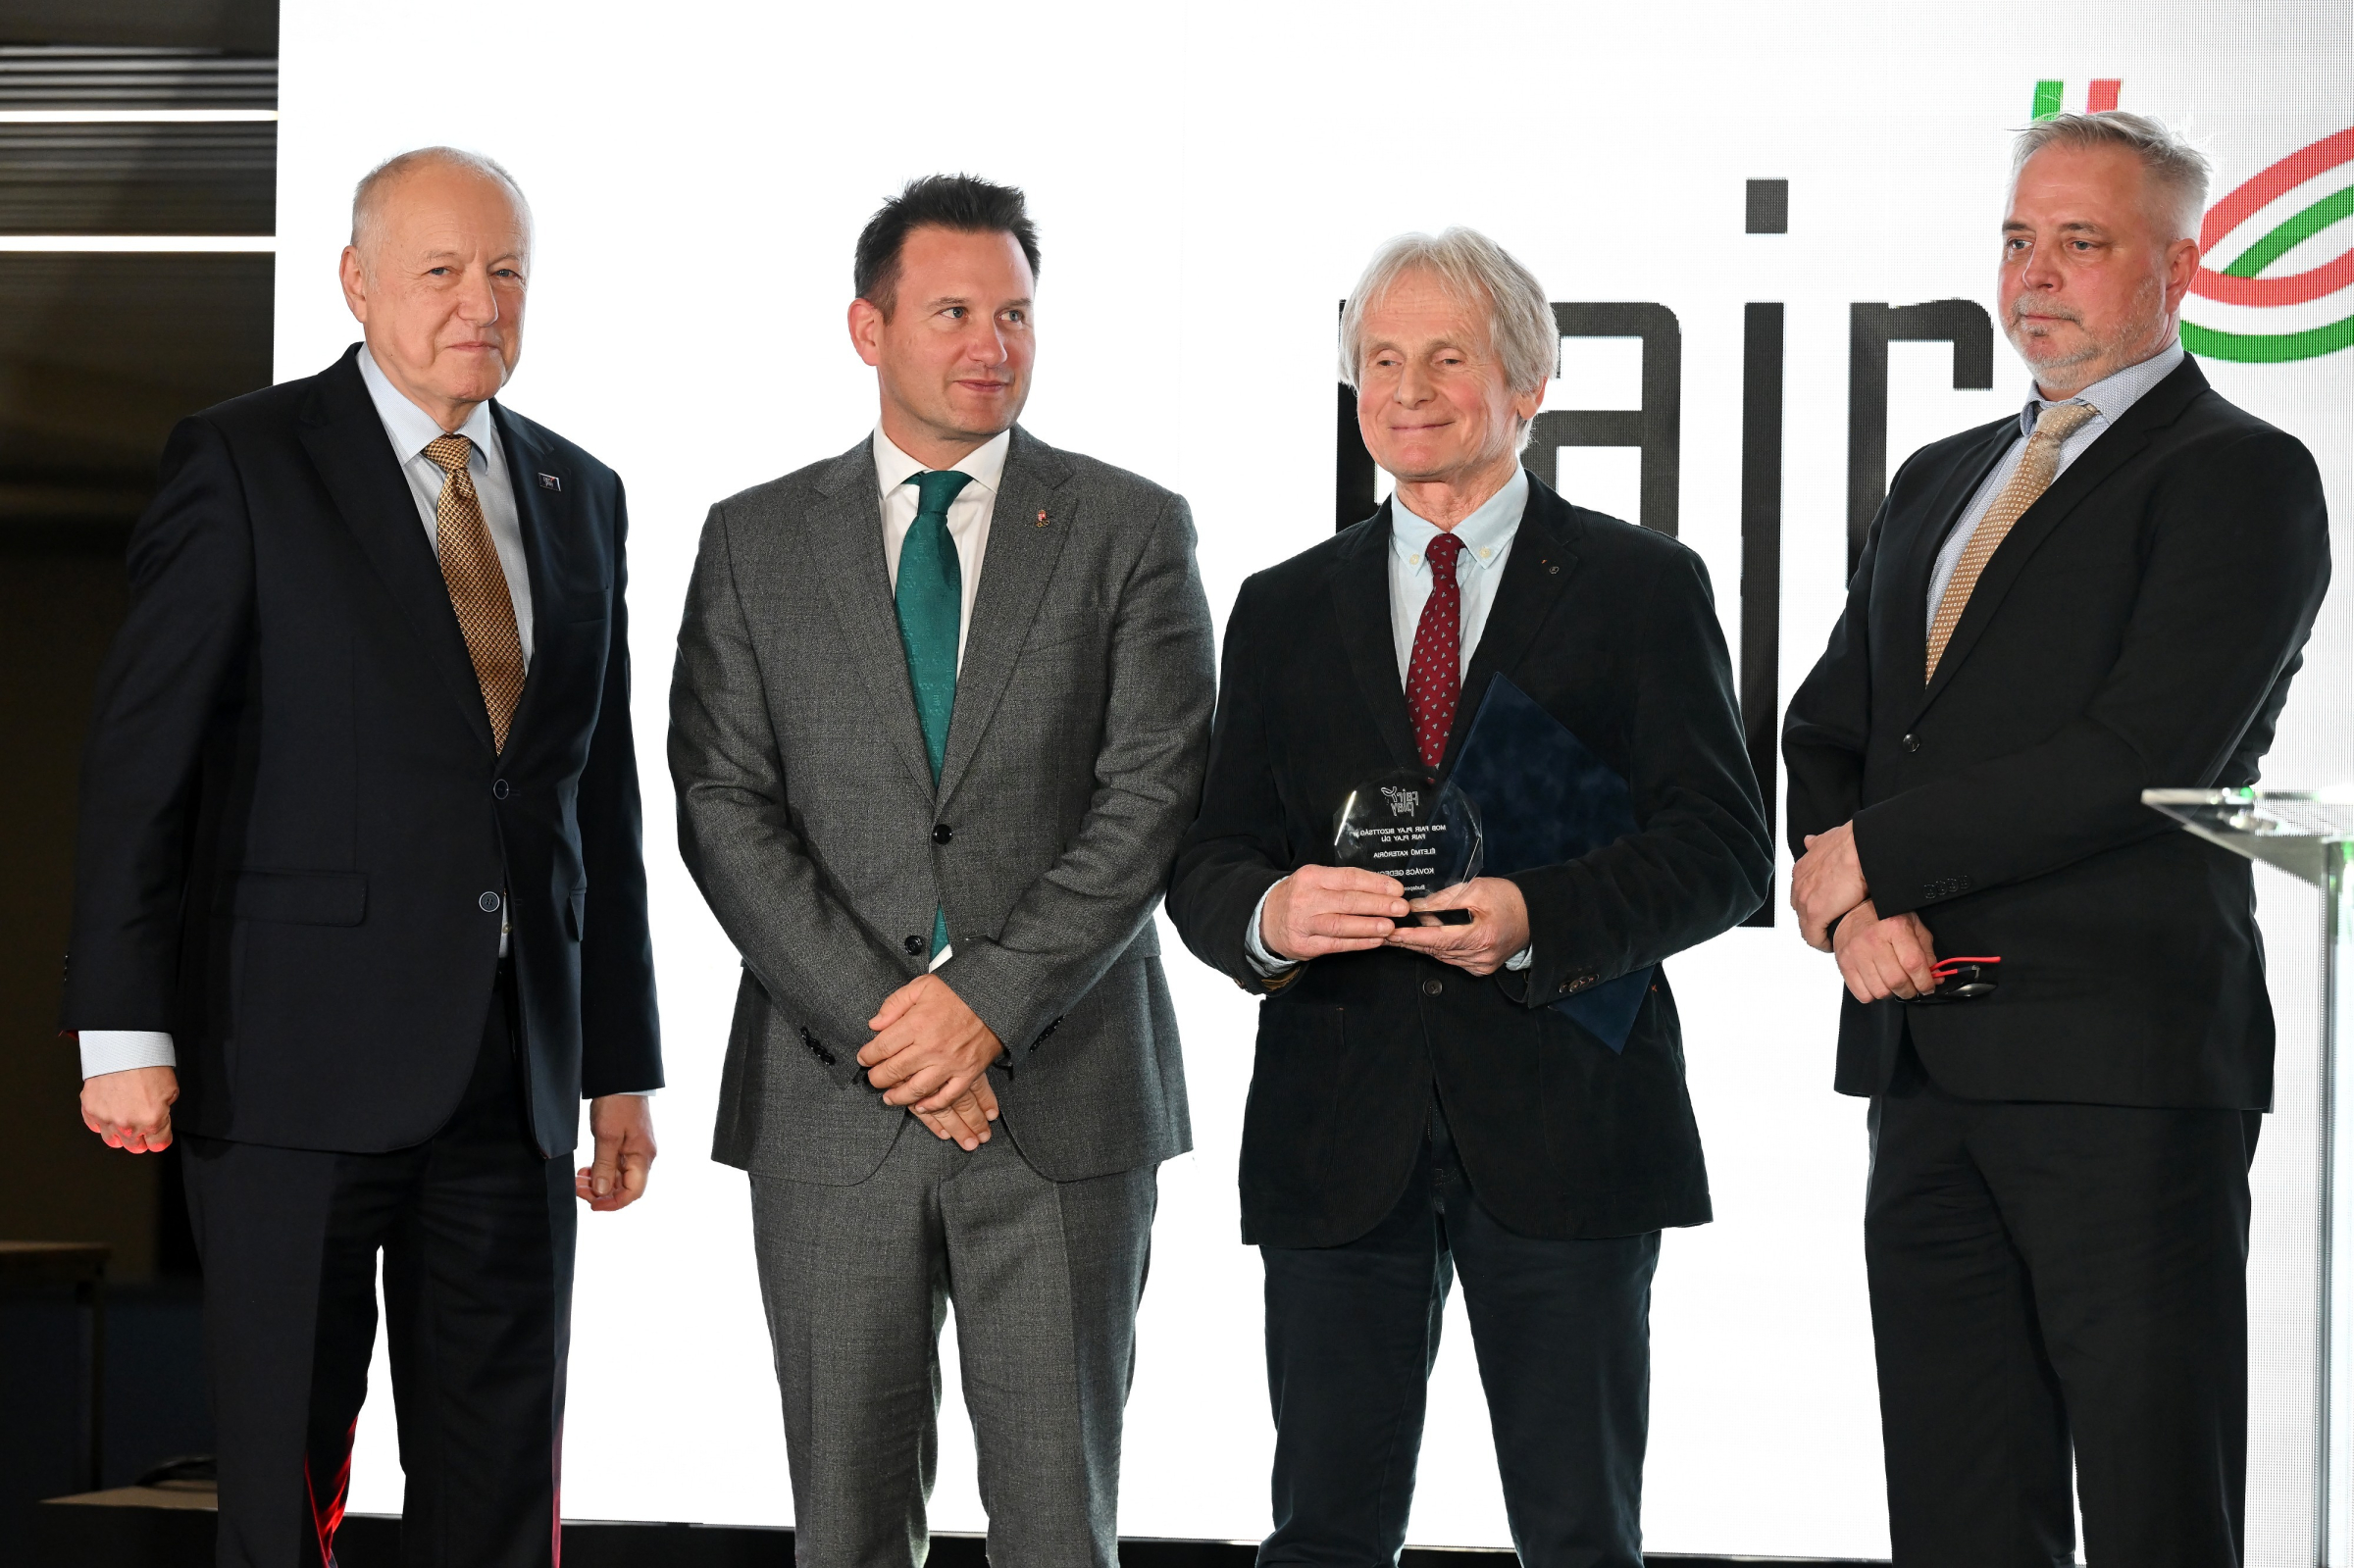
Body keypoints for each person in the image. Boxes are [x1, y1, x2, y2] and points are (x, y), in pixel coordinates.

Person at [62, 146, 661, 1568]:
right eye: (441, 271)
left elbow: (597, 800)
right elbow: (142, 763)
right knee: (284, 1490)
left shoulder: (581, 491)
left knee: (502, 1493)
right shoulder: (246, 461)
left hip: (511, 1081)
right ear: (356, 282)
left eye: (505, 272)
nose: (480, 305)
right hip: (289, 1069)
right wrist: (120, 1031)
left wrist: (615, 1061)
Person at [1165, 228, 1770, 1568]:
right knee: (1322, 1535)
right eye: (1382, 360)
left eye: (1447, 357)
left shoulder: (1641, 587)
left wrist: (1537, 917)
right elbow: (1210, 859)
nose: (1410, 390)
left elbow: (1724, 850)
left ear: (1529, 381)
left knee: (1579, 1536)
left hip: (1568, 1125)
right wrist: (1271, 917)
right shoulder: (1281, 605)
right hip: (1339, 1132)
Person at [1784, 110, 2329, 1567]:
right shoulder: (1938, 476)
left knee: (2156, 1514)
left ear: (2180, 268)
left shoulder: (2241, 473)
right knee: (1958, 1516)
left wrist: (1879, 858)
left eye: (2080, 242)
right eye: (2019, 239)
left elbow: (2141, 757)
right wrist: (1854, 913)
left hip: (2124, 1082)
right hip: (1922, 1058)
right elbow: (1830, 729)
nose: (2034, 275)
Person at [669, 173, 1214, 1568]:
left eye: (1016, 315)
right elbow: (722, 805)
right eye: (955, 312)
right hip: (829, 1103)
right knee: (844, 1532)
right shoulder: (753, 539)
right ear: (868, 328)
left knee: (1059, 1532)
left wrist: (985, 1006)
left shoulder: (1131, 528)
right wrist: (893, 1026)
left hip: (1064, 1097)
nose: (993, 344)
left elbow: (1151, 795)